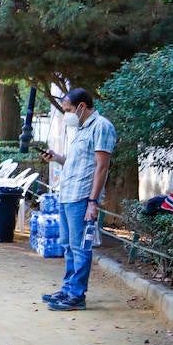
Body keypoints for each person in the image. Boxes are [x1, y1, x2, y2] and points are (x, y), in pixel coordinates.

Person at [39, 88, 117, 311]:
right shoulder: (80, 129)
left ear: (82, 107)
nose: (66, 115)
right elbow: (77, 164)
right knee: (68, 246)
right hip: (67, 195)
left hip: (82, 198)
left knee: (80, 247)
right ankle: (68, 289)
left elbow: (102, 167)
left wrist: (93, 202)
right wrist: (56, 158)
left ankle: (76, 295)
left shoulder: (102, 126)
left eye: (68, 110)